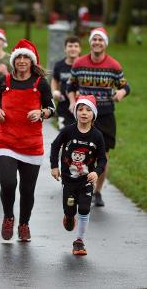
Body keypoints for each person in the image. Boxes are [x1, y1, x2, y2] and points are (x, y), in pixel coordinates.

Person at [0, 39, 55, 242]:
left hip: (31, 144)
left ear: (32, 61)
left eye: (26, 57)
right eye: (19, 57)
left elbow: (52, 108)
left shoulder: (40, 84)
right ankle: (8, 216)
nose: (22, 61)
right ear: (14, 60)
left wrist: (41, 112)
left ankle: (24, 224)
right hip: (5, 140)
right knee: (8, 183)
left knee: (27, 189)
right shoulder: (4, 82)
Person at [67, 27, 130, 207]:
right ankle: (79, 187)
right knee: (79, 153)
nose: (96, 43)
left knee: (103, 155)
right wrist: (72, 102)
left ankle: (97, 192)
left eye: (100, 40)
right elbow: (70, 87)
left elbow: (126, 86)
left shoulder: (114, 66)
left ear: (105, 44)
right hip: (84, 115)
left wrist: (120, 93)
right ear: (90, 43)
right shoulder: (79, 64)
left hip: (105, 115)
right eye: (94, 39)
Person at [50, 95, 107, 255]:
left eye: (88, 110)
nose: (84, 113)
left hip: (86, 181)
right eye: (80, 109)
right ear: (76, 112)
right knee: (70, 210)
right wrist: (54, 167)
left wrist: (96, 172)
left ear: (93, 114)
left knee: (83, 208)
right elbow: (55, 146)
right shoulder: (68, 131)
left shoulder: (97, 136)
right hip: (68, 180)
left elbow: (102, 159)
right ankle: (68, 217)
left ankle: (79, 241)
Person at [51, 36, 81, 130]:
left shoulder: (84, 65)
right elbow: (55, 79)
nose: (73, 48)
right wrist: (54, 91)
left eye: (76, 46)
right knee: (63, 135)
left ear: (80, 49)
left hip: (81, 107)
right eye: (70, 46)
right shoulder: (59, 65)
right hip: (63, 107)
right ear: (65, 49)